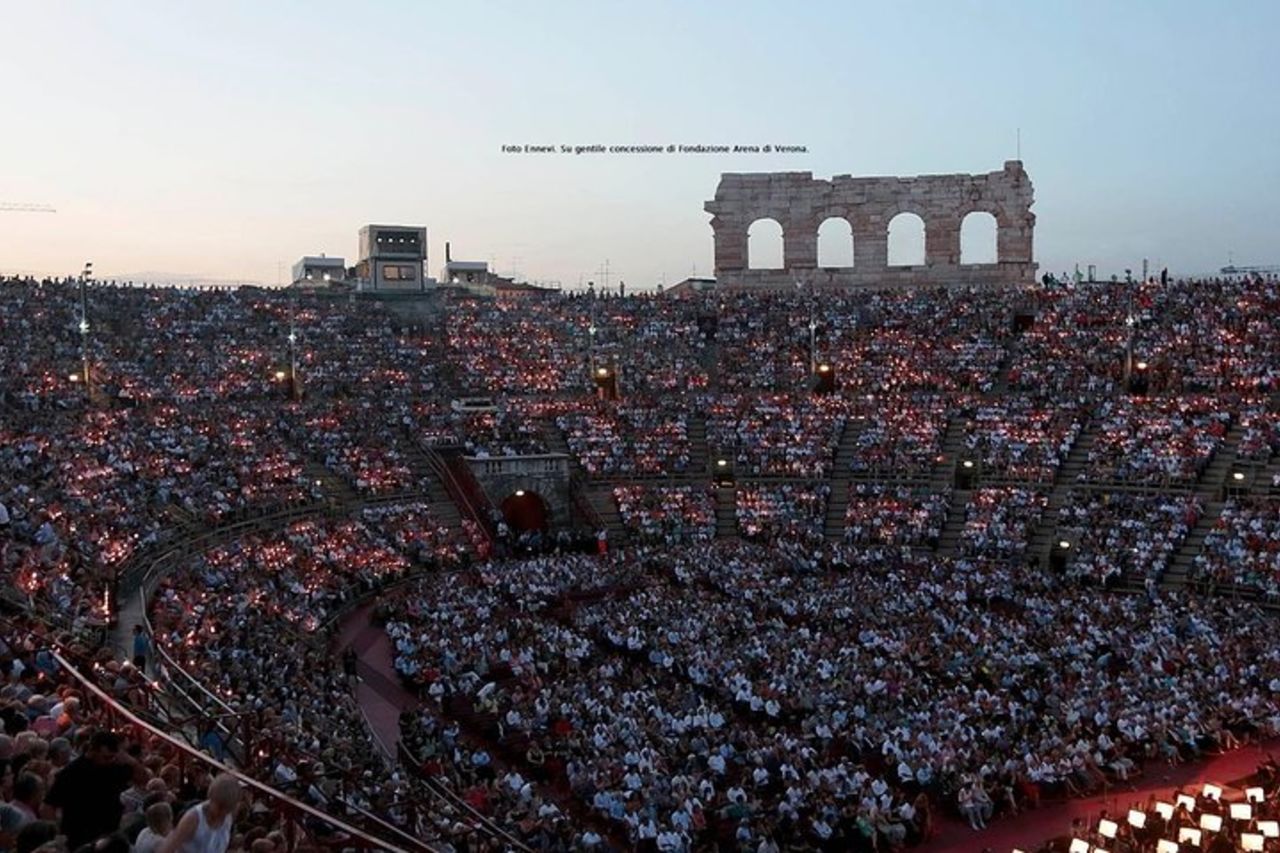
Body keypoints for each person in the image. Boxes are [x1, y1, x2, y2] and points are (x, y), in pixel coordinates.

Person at [45, 730, 143, 849]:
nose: (110, 760)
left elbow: (143, 779)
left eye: (113, 756)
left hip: (108, 835)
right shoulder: (71, 773)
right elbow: (48, 805)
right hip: (79, 837)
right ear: (92, 750)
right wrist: (57, 834)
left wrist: (130, 760)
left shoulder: (114, 767)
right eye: (106, 757)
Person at [158, 773, 242, 853]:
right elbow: (168, 848)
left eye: (226, 809)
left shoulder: (229, 816)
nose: (222, 813)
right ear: (211, 797)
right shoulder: (193, 819)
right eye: (220, 807)